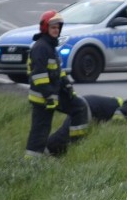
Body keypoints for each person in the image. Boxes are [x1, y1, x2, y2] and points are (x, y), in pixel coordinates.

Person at [25, 10, 90, 157]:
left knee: (79, 106)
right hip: (42, 97)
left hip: (53, 94)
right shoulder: (41, 47)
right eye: (53, 27)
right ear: (45, 28)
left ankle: (75, 145)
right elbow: (39, 76)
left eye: (57, 28)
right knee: (40, 130)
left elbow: (57, 72)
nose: (56, 30)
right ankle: (31, 162)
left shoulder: (50, 47)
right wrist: (49, 96)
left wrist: (67, 86)